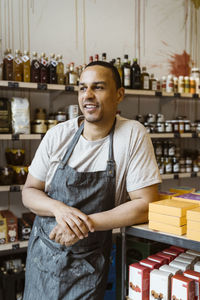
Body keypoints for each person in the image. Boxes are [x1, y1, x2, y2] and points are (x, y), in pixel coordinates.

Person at [22, 61, 161, 300]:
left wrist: (83, 224)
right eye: (82, 88)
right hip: (44, 255)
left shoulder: (132, 135)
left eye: (98, 87)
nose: (88, 95)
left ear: (119, 94)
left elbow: (146, 203)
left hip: (88, 262)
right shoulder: (58, 135)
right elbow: (29, 191)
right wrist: (59, 209)